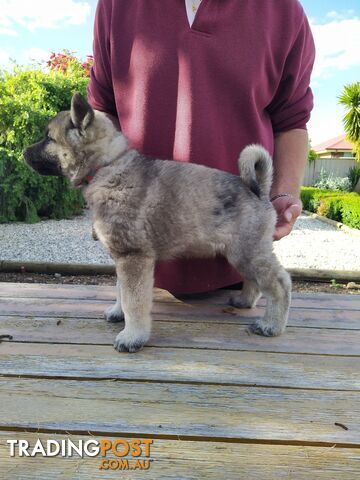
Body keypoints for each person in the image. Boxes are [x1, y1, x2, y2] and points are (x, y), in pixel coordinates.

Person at [87, 0, 315, 294]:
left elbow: (292, 120)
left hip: (238, 272)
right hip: (137, 267)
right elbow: (102, 110)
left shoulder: (283, 11)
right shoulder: (117, 5)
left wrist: (283, 193)